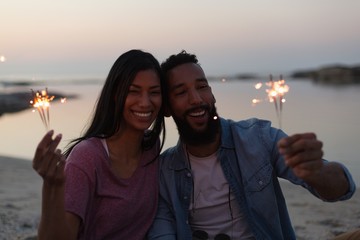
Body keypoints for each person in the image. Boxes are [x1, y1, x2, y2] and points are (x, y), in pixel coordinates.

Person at [148, 50, 356, 240]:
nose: (196, 99)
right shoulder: (165, 171)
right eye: (181, 92)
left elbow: (342, 190)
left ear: (212, 93)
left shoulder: (259, 138)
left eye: (202, 87)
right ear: (167, 107)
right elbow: (161, 233)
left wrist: (317, 172)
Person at [32, 49, 166, 240]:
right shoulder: (87, 157)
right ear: (114, 94)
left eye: (154, 92)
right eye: (133, 91)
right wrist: (51, 185)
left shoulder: (151, 146)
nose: (145, 102)